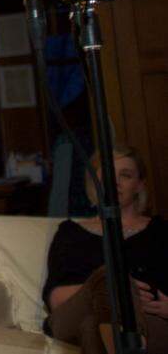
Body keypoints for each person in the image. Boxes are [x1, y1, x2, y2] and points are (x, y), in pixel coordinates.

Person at [43, 144, 168, 354]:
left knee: (92, 328)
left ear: (139, 184)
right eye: (107, 174)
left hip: (150, 319)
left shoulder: (161, 231)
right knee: (109, 278)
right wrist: (121, 291)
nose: (115, 182)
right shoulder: (70, 233)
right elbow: (56, 299)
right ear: (94, 182)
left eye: (126, 175)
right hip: (73, 315)